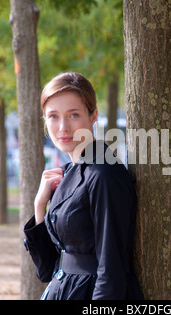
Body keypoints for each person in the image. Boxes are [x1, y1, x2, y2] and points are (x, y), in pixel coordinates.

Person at [23, 72, 144, 300]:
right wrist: (40, 206)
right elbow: (47, 269)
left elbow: (112, 268)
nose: (63, 127)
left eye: (74, 115)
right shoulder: (69, 173)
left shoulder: (104, 174)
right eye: (53, 116)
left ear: (93, 116)